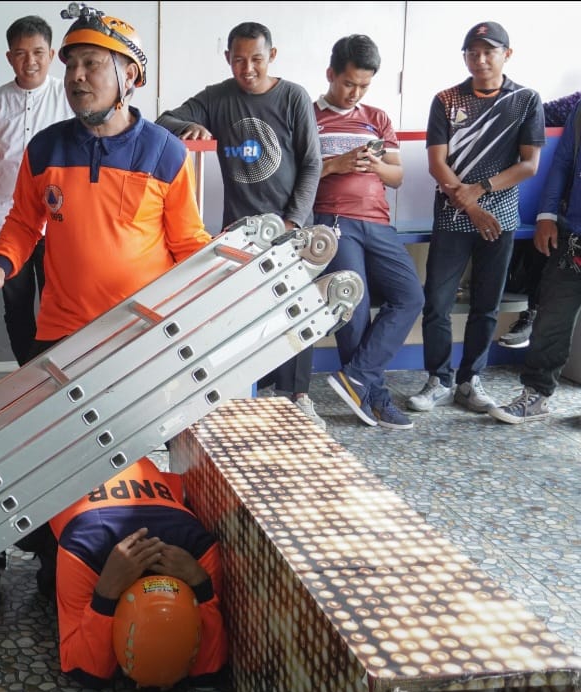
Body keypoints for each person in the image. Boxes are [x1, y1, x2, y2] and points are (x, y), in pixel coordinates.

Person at [0, 5, 211, 615]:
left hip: (136, 344)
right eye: (71, 64)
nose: (76, 76)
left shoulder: (165, 153)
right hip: (61, 335)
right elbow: (24, 223)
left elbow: (189, 244)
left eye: (92, 64)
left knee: (113, 456)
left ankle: (76, 554)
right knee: (23, 452)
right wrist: (0, 264)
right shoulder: (46, 148)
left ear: (129, 76)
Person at [155, 21, 324, 427]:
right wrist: (189, 127)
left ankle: (298, 396)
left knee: (297, 310)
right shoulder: (218, 97)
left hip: (290, 227)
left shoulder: (294, 97)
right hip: (240, 231)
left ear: (272, 56)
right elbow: (164, 119)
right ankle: (249, 393)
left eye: (257, 60)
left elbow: (312, 163)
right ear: (227, 58)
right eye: (238, 60)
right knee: (245, 315)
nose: (248, 69)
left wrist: (292, 221)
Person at [406, 22, 544, 415]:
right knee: (437, 302)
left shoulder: (525, 100)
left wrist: (480, 189)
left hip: (500, 218)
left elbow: (529, 164)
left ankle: (470, 381)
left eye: (488, 51)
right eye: (472, 52)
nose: (480, 59)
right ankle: (438, 379)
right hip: (453, 216)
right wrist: (469, 204)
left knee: (486, 304)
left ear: (506, 54)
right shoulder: (446, 99)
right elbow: (437, 163)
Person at [313, 36, 423, 430]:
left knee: (410, 296)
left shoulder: (377, 118)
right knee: (353, 308)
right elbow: (292, 175)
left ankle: (357, 377)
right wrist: (336, 164)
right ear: (331, 74)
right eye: (348, 83)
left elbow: (397, 176)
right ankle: (375, 398)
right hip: (334, 221)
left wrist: (375, 165)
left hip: (378, 223)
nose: (355, 93)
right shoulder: (307, 115)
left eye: (364, 86)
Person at [50, 456, 229, 688]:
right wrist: (200, 583)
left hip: (124, 480)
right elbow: (81, 669)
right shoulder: (83, 552)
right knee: (36, 553)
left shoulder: (201, 554)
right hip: (69, 474)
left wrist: (106, 593)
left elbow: (210, 670)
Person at [0, 15, 74, 366]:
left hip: (58, 223)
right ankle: (26, 376)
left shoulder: (68, 96)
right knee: (15, 306)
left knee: (57, 304)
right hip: (5, 222)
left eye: (38, 52)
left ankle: (57, 376)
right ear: (9, 57)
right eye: (21, 53)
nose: (30, 61)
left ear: (52, 54)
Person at [489, 101, 581, 424]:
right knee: (551, 321)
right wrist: (546, 215)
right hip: (572, 239)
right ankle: (536, 396)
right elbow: (562, 163)